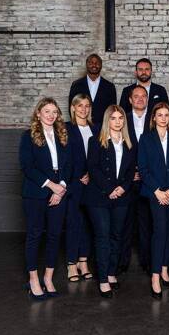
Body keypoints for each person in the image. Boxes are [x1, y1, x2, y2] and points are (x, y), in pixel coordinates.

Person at [19, 98, 72, 300]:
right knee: (34, 235)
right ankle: (33, 279)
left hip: (60, 191)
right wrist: (51, 186)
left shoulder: (62, 135)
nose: (51, 115)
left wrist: (61, 188)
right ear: (38, 113)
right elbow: (27, 167)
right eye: (47, 111)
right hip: (36, 193)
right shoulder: (28, 136)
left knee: (54, 235)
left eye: (54, 112)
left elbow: (68, 165)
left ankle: (48, 278)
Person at [85, 105, 136, 298]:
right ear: (108, 120)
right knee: (103, 236)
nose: (117, 122)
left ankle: (111, 272)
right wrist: (109, 189)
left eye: (120, 118)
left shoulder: (129, 143)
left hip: (121, 195)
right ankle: (103, 279)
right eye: (113, 118)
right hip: (99, 197)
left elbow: (131, 171)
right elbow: (93, 168)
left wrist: (123, 188)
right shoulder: (96, 141)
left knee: (117, 235)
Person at [138, 102, 169, 299]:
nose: (164, 118)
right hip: (155, 193)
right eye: (160, 115)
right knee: (159, 232)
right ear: (154, 118)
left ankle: (165, 267)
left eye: (167, 115)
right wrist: (157, 191)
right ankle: (155, 275)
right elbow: (143, 169)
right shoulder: (145, 139)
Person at [65, 94, 98, 283]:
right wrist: (77, 176)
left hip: (92, 183)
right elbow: (64, 157)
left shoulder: (96, 128)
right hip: (74, 183)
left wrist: (91, 174)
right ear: (73, 108)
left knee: (88, 223)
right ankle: (71, 263)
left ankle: (83, 261)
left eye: (87, 106)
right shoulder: (66, 128)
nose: (83, 109)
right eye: (80, 106)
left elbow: (100, 155)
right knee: (73, 222)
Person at [118, 85, 151, 274]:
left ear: (147, 99)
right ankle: (122, 261)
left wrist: (144, 172)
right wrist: (131, 173)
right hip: (127, 180)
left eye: (143, 96)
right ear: (130, 100)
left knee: (146, 224)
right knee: (125, 223)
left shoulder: (154, 119)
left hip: (147, 181)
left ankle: (147, 261)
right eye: (136, 96)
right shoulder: (122, 120)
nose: (140, 99)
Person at [68, 53, 117, 124]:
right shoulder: (76, 85)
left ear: (101, 65)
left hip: (103, 127)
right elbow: (71, 107)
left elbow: (112, 110)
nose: (94, 65)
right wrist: (78, 125)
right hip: (81, 125)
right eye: (91, 63)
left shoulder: (110, 86)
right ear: (86, 65)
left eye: (97, 63)